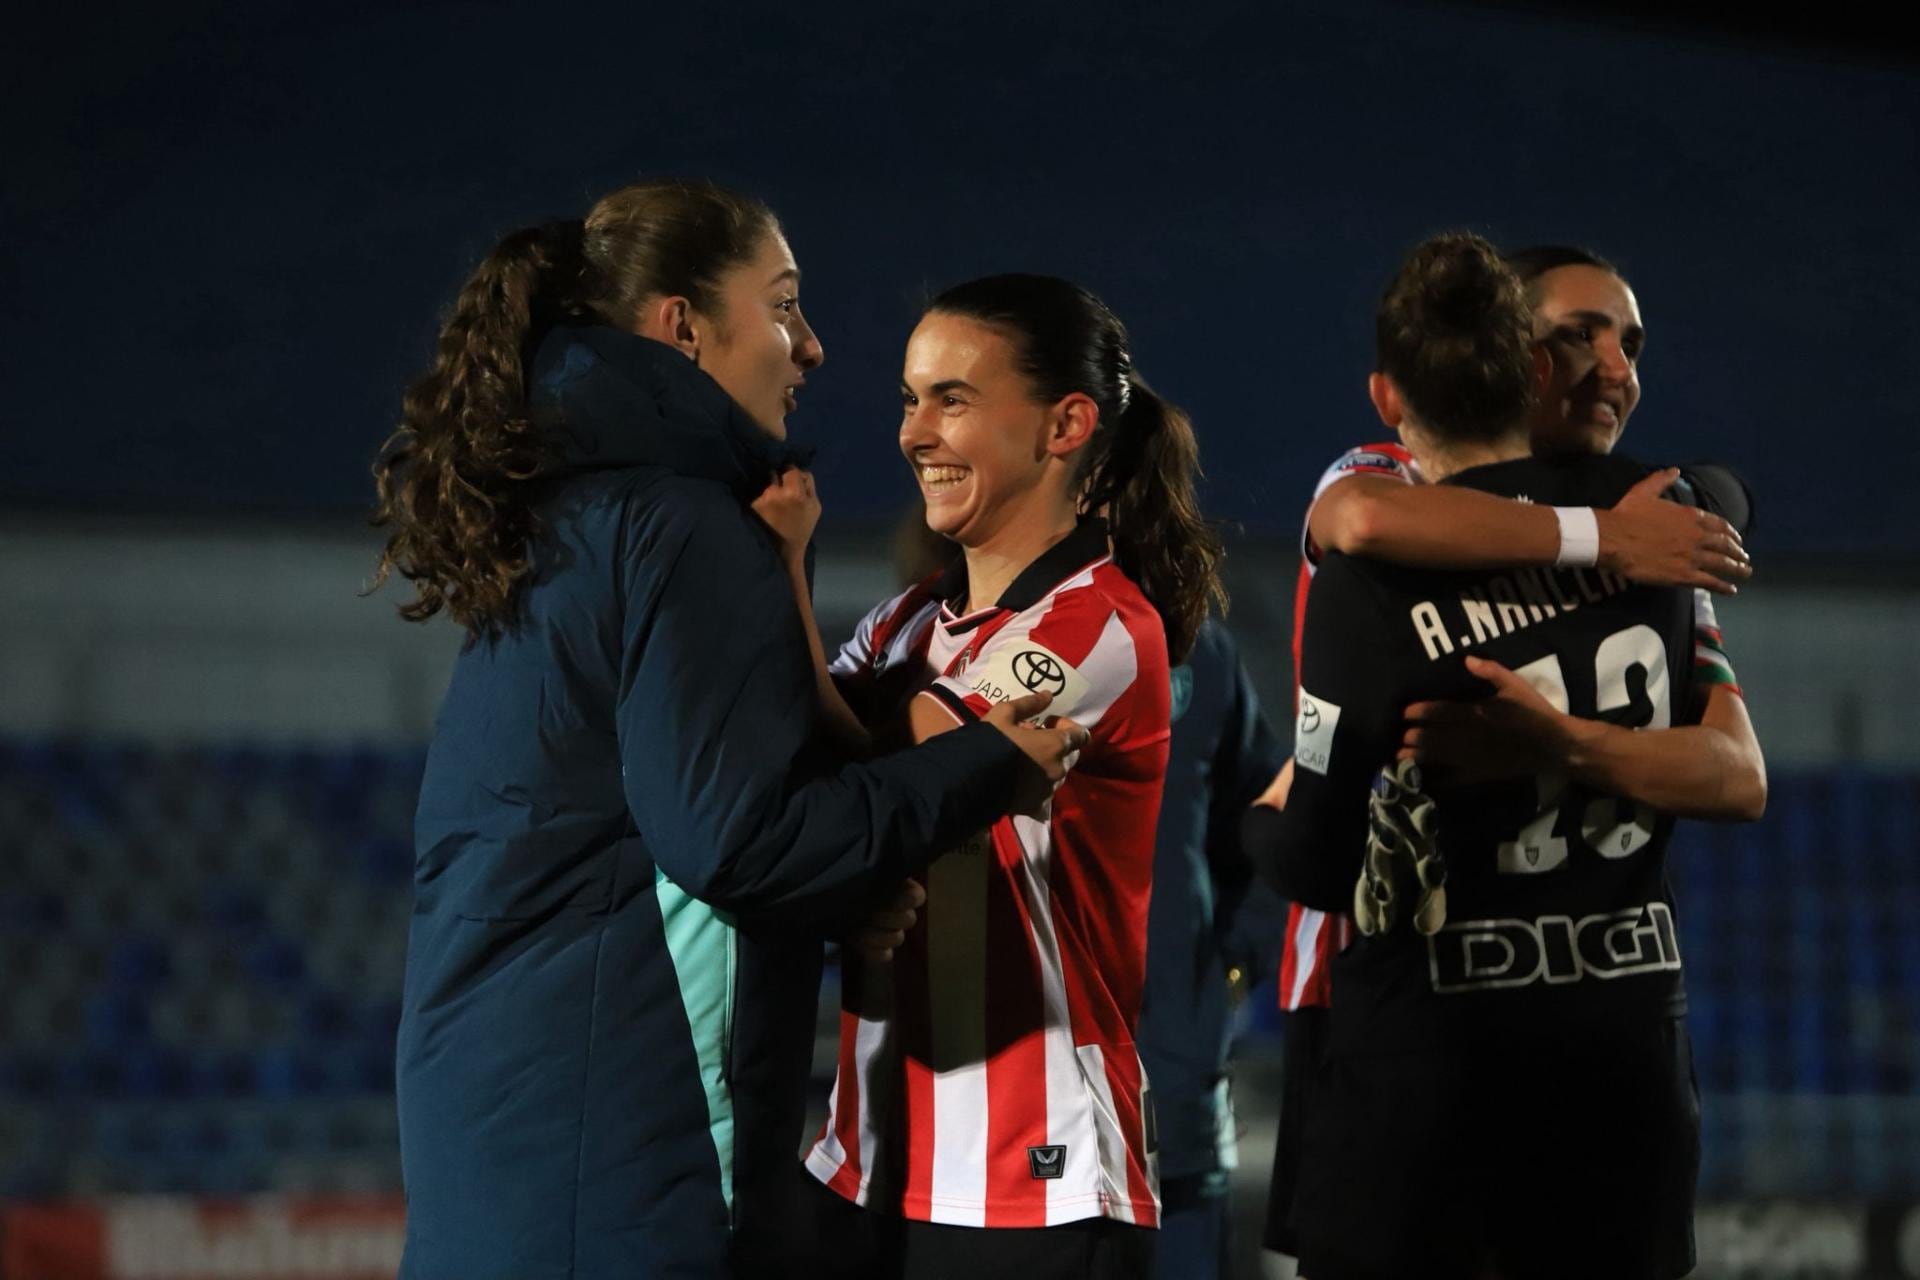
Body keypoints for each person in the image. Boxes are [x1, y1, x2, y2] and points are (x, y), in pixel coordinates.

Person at [369, 179, 1086, 1279]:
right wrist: (978, 767)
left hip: (515, 1129)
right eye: (784, 306)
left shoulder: (575, 511)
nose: (813, 347)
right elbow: (735, 842)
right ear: (684, 327)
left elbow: (633, 830)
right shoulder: (682, 526)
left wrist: (843, 891)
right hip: (622, 1149)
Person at [1246, 232, 1760, 1279]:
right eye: (1578, 336)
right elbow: (1358, 512)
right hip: (1375, 990)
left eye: (1630, 343)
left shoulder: (1657, 528)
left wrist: (1559, 740)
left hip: (1500, 1024)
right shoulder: (1401, 487)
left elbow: (1741, 773)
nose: (1613, 367)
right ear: (1510, 356)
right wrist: (1604, 539)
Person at [760, 274, 1223, 1279]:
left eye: (953, 399)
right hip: (870, 1156)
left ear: (1066, 425)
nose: (913, 433)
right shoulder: (904, 621)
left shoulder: (1097, 623)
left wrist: (782, 570)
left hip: (1032, 1176)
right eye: (908, 399)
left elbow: (887, 777)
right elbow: (793, 765)